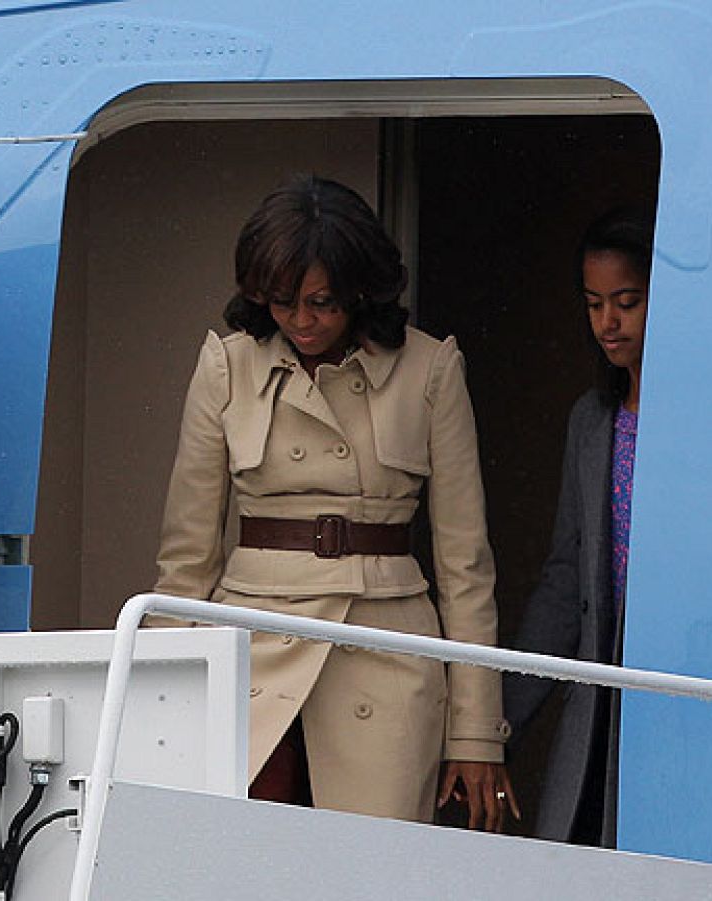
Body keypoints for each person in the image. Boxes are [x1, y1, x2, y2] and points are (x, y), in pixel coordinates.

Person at [154, 176, 516, 829]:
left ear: (360, 289)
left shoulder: (430, 370)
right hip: (248, 644)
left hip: (385, 647)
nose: (301, 320)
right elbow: (186, 562)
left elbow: (467, 569)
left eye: (321, 301)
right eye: (282, 300)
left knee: (371, 871)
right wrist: (151, 703)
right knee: (236, 857)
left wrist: (476, 734)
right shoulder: (225, 367)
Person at [503, 208, 654, 847]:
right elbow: (566, 584)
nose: (608, 323)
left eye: (627, 302)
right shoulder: (592, 423)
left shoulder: (708, 420)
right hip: (600, 705)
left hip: (677, 686)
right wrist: (499, 723)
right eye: (594, 304)